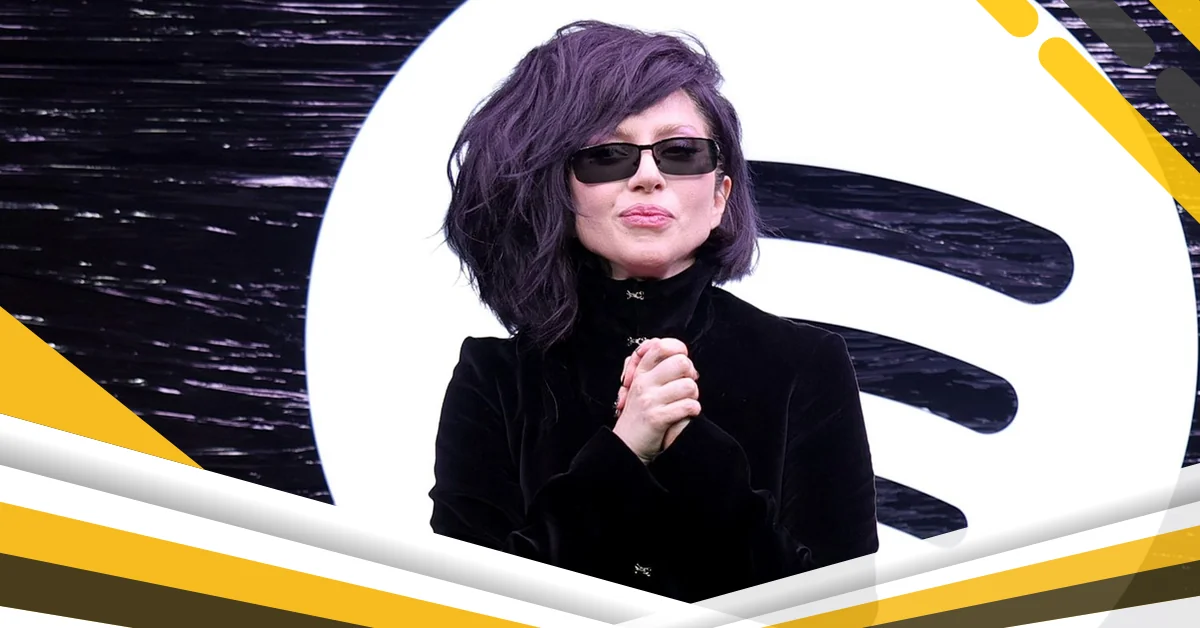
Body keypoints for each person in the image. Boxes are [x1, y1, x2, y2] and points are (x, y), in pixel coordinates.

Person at [429, 20, 878, 602]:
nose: (647, 177)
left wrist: (694, 450)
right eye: (606, 154)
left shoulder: (805, 363)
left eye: (680, 152)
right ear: (559, 192)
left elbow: (841, 606)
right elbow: (465, 604)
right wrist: (622, 452)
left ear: (719, 197)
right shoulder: (494, 378)